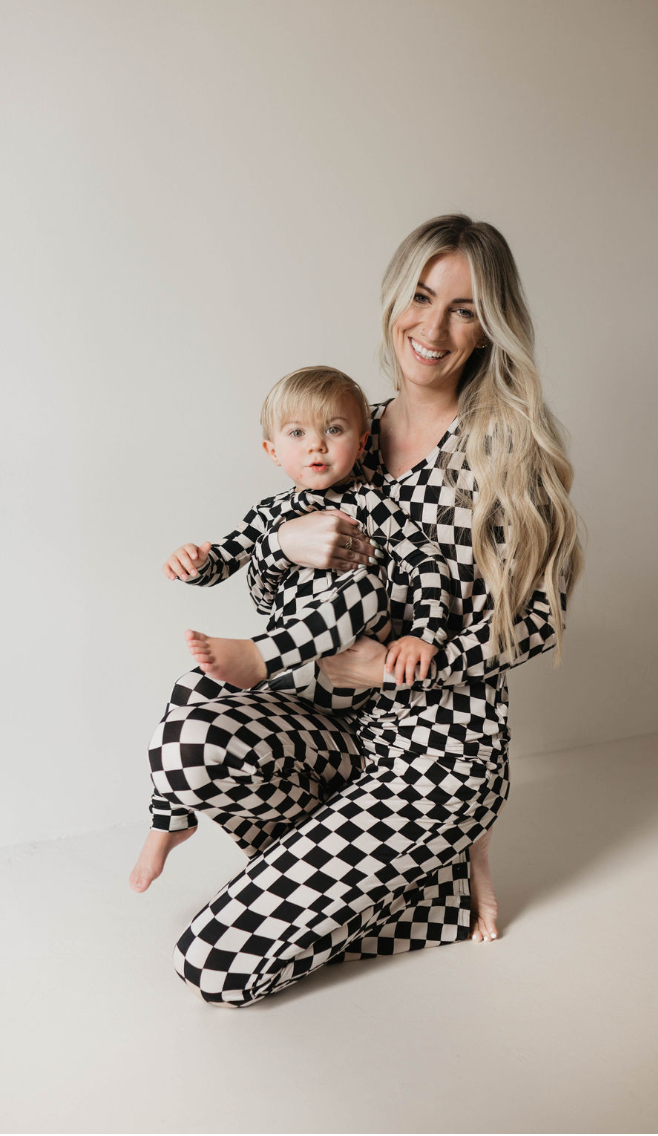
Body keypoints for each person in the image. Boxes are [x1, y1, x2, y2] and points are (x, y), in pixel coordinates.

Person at [129, 213, 584, 1006]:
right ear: (393, 301)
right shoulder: (346, 433)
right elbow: (290, 602)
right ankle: (422, 890)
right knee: (197, 721)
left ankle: (416, 881)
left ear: (491, 328)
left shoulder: (504, 448)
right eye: (421, 296)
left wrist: (422, 659)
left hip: (437, 754)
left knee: (214, 965)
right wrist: (281, 549)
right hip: (338, 730)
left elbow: (541, 615)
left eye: (465, 308)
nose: (433, 327)